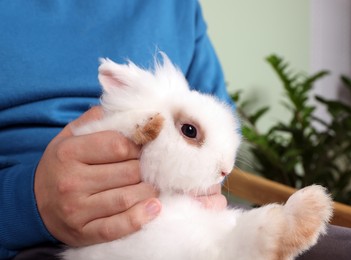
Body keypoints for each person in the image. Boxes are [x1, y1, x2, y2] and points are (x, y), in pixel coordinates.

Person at [0, 1, 229, 258]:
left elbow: (218, 128)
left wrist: (204, 194)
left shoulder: (179, 8)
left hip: (177, 223)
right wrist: (25, 203)